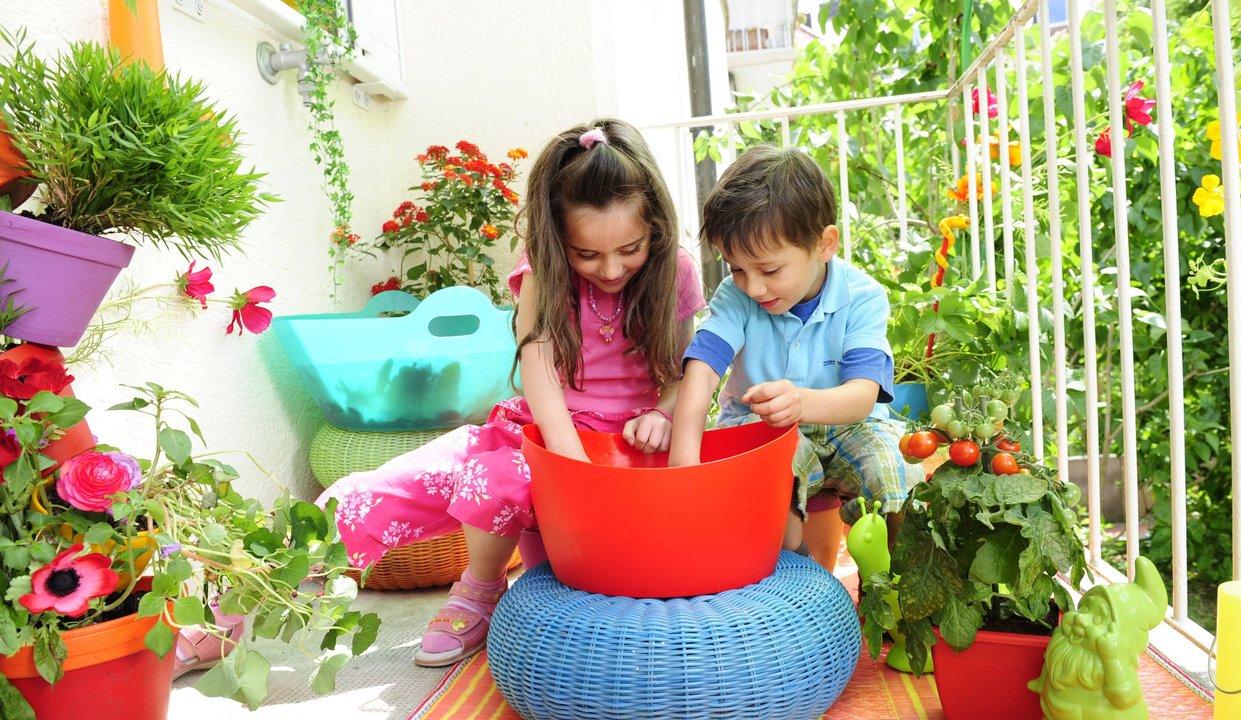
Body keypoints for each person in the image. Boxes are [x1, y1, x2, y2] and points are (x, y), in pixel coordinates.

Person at [317, 119, 705, 667]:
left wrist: (664, 413)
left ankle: (485, 585)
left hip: (631, 450)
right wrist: (569, 467)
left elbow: (685, 371)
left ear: (657, 231)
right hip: (547, 433)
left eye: (630, 248)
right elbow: (538, 366)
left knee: (552, 559)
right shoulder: (545, 270)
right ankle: (476, 584)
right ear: (556, 240)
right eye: (587, 255)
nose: (611, 268)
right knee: (379, 493)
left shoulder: (676, 271)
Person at [668, 145, 922, 553]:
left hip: (849, 427)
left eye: (769, 270)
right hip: (760, 426)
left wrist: (801, 402)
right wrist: (683, 459)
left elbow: (862, 396)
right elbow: (703, 366)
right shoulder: (737, 297)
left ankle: (894, 584)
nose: (753, 286)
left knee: (893, 473)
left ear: (824, 245)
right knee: (773, 489)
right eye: (737, 269)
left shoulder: (863, 297)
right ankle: (787, 585)